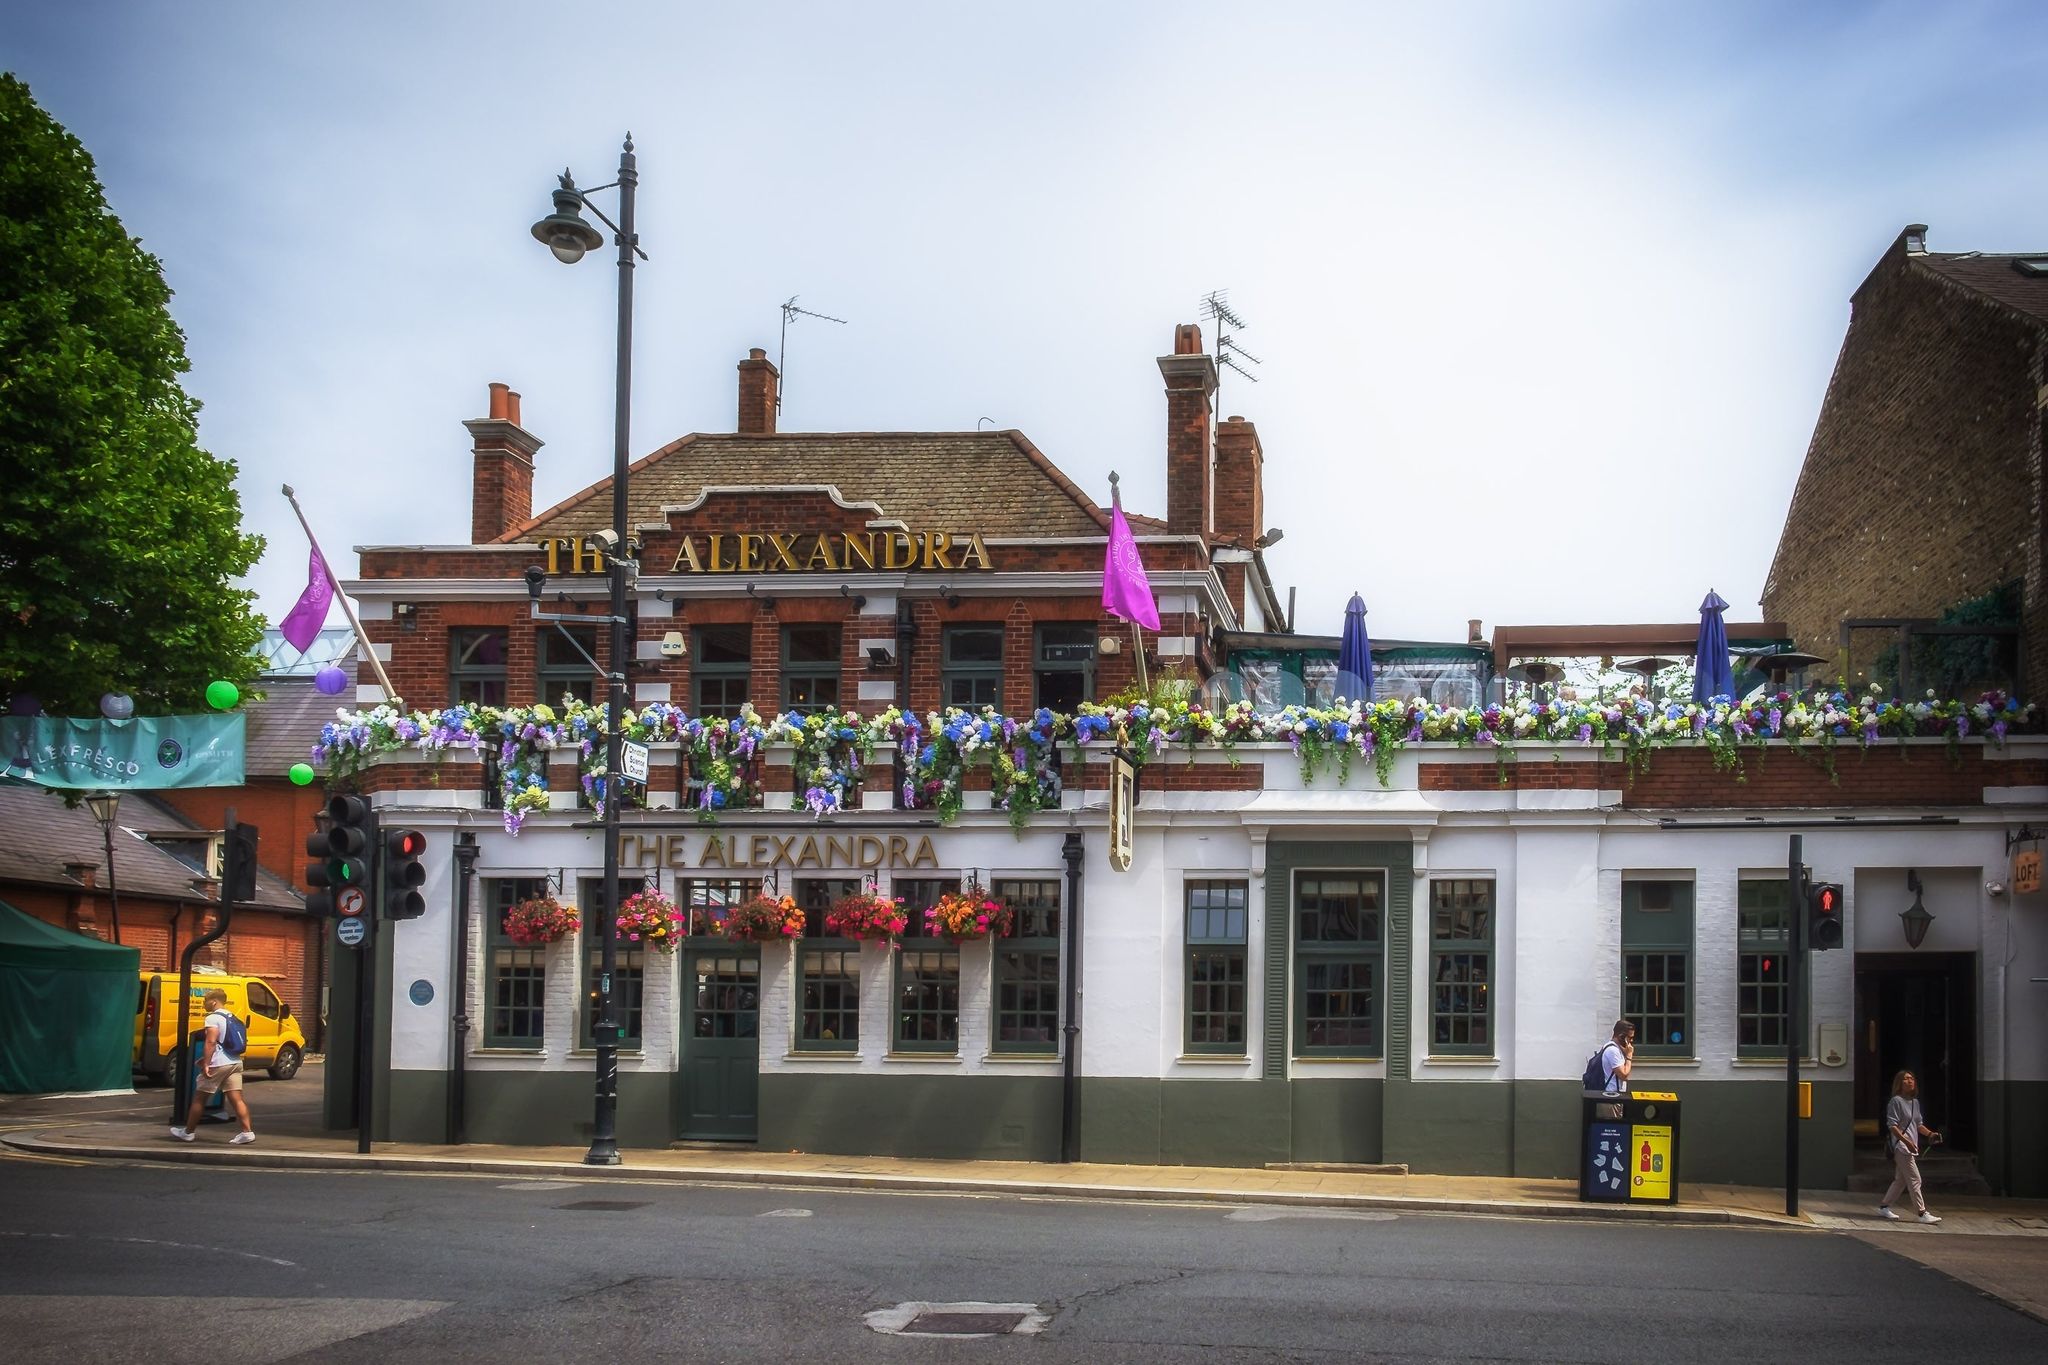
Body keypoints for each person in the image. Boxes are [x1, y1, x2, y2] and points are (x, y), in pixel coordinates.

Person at [170, 987, 255, 1145]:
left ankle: (188, 1132)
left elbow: (211, 1042)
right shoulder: (232, 1016)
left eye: (206, 1001)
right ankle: (247, 1132)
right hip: (235, 1062)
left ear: (214, 1001)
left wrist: (207, 1063)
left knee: (199, 1098)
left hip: (219, 1064)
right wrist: (206, 1059)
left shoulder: (213, 1018)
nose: (204, 1004)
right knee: (237, 1099)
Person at [1879, 1069, 1941, 1224]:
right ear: (1899, 1084)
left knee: (1900, 1180)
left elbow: (1918, 1124)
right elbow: (1892, 1125)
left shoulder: (1915, 1102)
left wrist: (1930, 1134)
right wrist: (1906, 1141)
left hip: (1910, 1146)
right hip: (1901, 1147)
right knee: (1915, 1179)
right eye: (1905, 1079)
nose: (1910, 1081)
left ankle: (1884, 1206)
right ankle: (1922, 1213)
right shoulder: (1896, 1101)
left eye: (1912, 1078)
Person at [1601, 1020, 1635, 1094]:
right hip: (1611, 1096)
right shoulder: (1612, 1050)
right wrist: (1629, 1056)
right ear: (1621, 1036)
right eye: (1630, 1037)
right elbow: (1624, 1076)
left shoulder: (1613, 1048)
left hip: (1614, 1094)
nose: (1631, 1040)